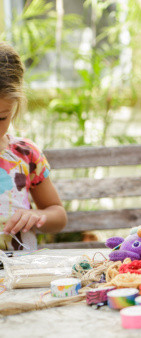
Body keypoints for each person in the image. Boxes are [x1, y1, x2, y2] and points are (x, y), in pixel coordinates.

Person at [0, 43, 67, 250]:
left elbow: (58, 214)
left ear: (15, 106)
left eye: (1, 117)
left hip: (24, 274)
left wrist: (37, 215)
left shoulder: (25, 155)